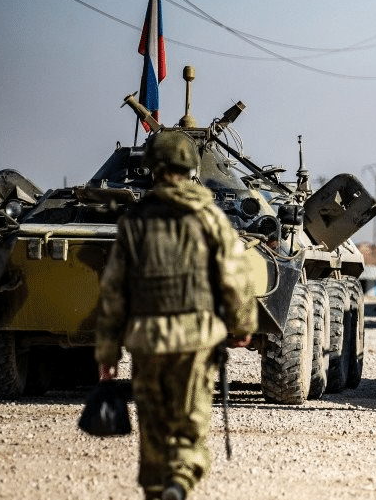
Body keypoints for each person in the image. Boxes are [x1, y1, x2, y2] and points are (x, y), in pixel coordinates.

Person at [95, 131, 257, 500]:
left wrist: (107, 353)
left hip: (147, 337)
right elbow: (235, 276)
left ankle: (156, 487)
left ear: (151, 168)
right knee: (190, 421)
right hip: (196, 337)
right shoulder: (209, 216)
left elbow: (114, 291)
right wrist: (241, 325)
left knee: (153, 423)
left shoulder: (135, 221)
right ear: (191, 167)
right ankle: (181, 479)